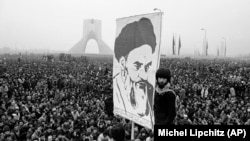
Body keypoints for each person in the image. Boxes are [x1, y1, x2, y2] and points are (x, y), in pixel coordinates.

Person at [113, 17, 156, 118]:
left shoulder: (150, 89)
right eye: (137, 66)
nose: (144, 76)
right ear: (123, 63)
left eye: (147, 66)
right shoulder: (116, 91)